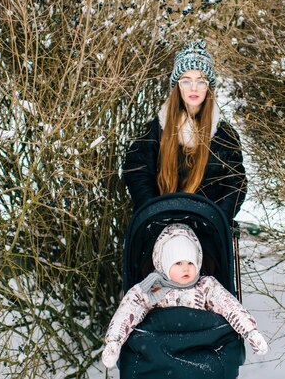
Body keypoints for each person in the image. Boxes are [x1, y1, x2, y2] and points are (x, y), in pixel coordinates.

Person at [101, 223, 268, 369]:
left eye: (190, 262)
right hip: (160, 350)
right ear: (165, 264)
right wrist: (114, 342)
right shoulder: (152, 287)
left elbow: (230, 306)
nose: (186, 268)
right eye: (178, 263)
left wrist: (250, 332)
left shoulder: (206, 286)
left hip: (201, 348)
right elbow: (127, 311)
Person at [123, 40, 247, 225]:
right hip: (161, 223)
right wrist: (154, 212)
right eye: (186, 80)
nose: (194, 88)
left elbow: (235, 184)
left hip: (206, 228)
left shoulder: (224, 135)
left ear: (208, 86)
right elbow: (137, 172)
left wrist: (214, 219)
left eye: (201, 81)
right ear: (178, 86)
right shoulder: (156, 130)